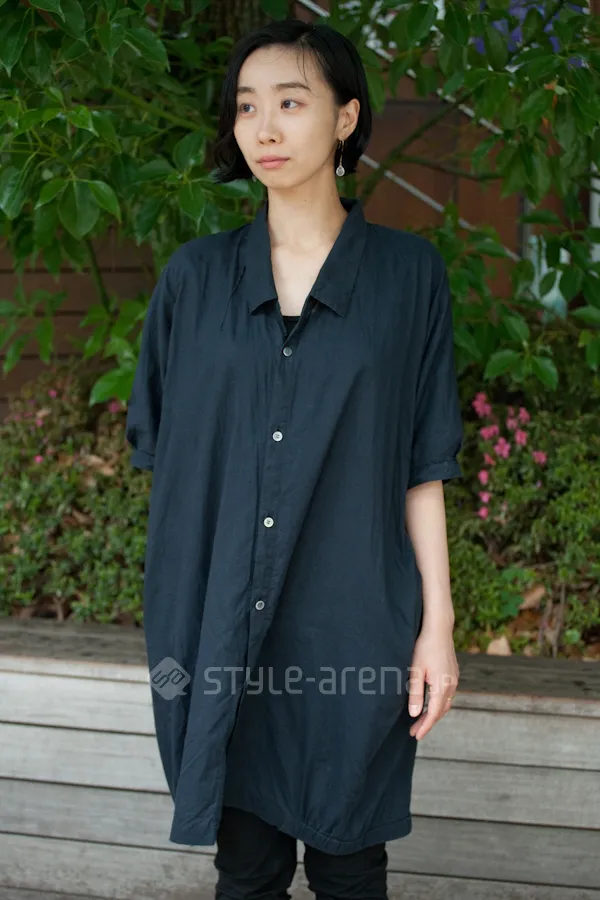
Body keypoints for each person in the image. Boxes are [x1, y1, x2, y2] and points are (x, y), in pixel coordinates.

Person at [125, 17, 464, 900]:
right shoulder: (193, 280)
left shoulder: (408, 277)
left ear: (346, 117)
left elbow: (422, 464)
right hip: (217, 623)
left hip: (354, 623)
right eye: (246, 107)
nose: (264, 128)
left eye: (290, 102)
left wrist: (437, 627)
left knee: (351, 865)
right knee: (246, 868)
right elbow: (173, 464)